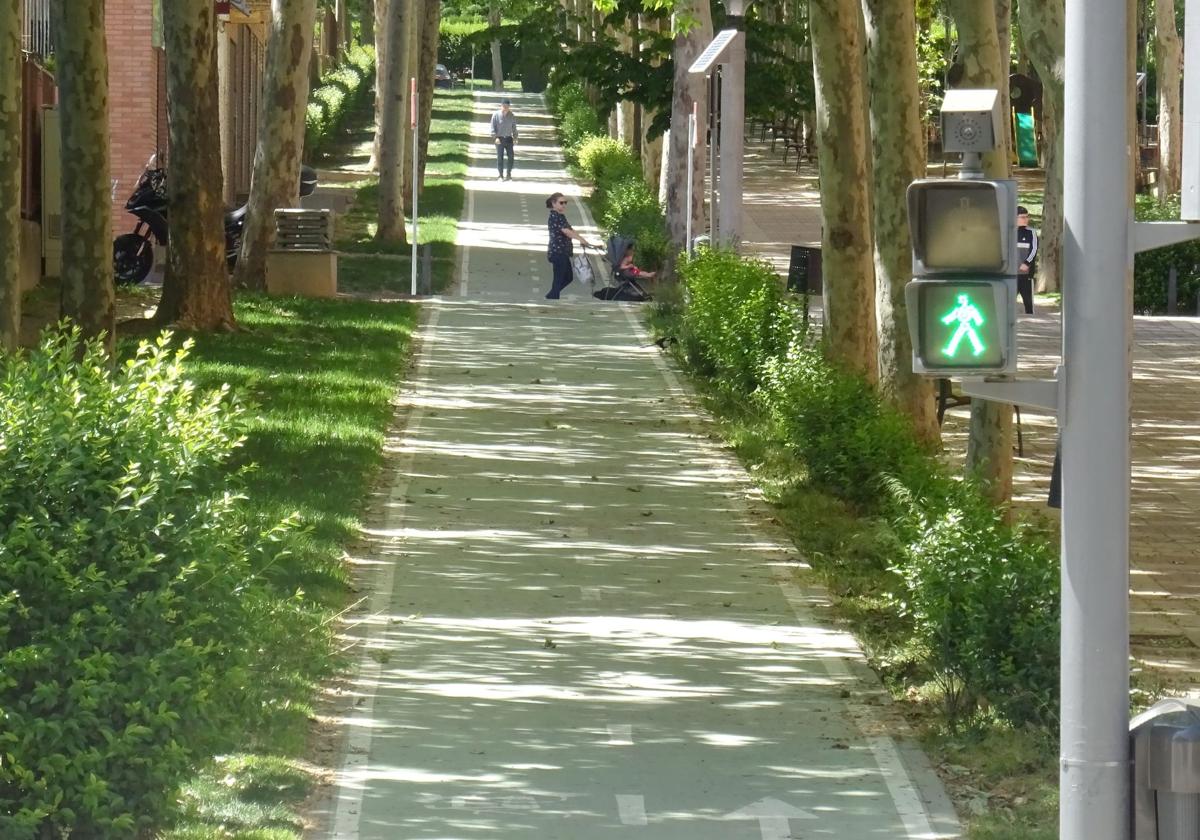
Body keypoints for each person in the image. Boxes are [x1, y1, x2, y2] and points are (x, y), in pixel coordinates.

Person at [545, 193, 593, 299]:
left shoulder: (561, 216)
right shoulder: (554, 216)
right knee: (559, 278)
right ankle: (553, 296)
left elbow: (571, 230)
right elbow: (566, 232)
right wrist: (581, 239)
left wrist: (583, 240)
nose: (564, 205)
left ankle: (552, 294)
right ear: (553, 203)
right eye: (561, 203)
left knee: (568, 277)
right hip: (558, 252)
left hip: (563, 252)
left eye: (565, 203)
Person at [1016, 205, 1039, 315]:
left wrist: (1027, 263)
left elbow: (1034, 250)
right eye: (1022, 217)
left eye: (1027, 217)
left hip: (1026, 275)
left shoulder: (1031, 233)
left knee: (1028, 304)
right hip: (1012, 275)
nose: (1026, 219)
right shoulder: (1009, 232)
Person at [490, 98, 518, 181]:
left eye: (507, 106)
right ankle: (500, 175)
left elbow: (514, 128)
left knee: (511, 156)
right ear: (501, 106)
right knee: (500, 157)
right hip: (500, 138)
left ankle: (508, 174)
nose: (505, 108)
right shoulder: (496, 115)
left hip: (509, 138)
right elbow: (492, 128)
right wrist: (495, 137)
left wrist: (515, 137)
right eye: (504, 106)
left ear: (509, 107)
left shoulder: (511, 115)